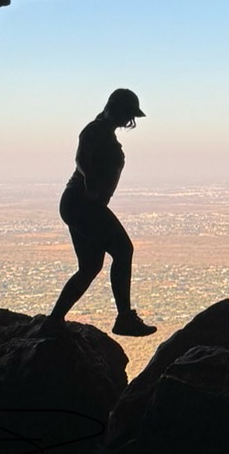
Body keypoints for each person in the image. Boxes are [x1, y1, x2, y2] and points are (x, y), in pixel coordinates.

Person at [44, 88, 156, 336]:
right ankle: (124, 318)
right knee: (123, 250)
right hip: (82, 204)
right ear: (117, 110)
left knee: (90, 266)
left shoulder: (104, 132)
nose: (129, 121)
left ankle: (54, 320)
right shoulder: (95, 130)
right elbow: (81, 159)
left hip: (79, 205)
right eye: (128, 114)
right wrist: (91, 183)